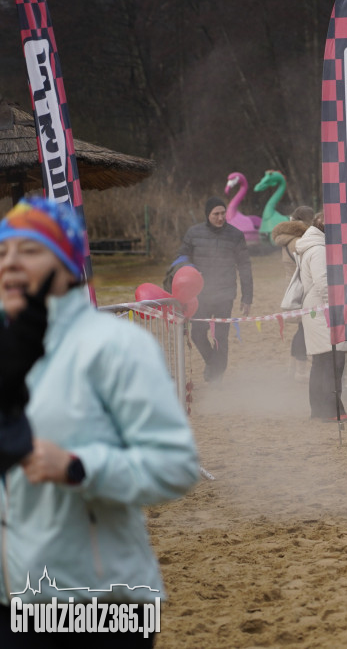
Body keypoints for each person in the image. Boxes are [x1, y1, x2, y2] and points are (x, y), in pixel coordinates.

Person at [0, 198, 198, 646]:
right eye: (1, 252)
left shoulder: (115, 347)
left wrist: (78, 467)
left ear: (69, 265)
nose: (10, 262)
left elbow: (176, 465)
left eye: (29, 250)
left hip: (99, 608)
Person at [177, 195, 253, 382]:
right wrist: (189, 273)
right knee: (197, 333)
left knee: (220, 337)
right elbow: (182, 258)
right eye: (215, 214)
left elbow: (244, 266)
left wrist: (247, 297)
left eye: (223, 213)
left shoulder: (236, 235)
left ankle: (216, 375)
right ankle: (213, 364)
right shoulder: (193, 233)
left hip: (225, 294)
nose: (220, 217)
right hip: (199, 295)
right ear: (207, 215)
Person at [295, 212, 347, 422]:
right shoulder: (319, 250)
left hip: (317, 308)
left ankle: (320, 409)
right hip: (323, 309)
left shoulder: (312, 247)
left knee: (322, 360)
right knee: (332, 359)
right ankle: (331, 410)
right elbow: (323, 282)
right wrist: (335, 308)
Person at [273, 206, 316, 382]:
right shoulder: (297, 242)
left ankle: (293, 369)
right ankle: (300, 369)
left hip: (293, 287)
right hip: (302, 289)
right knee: (303, 330)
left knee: (301, 329)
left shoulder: (287, 239)